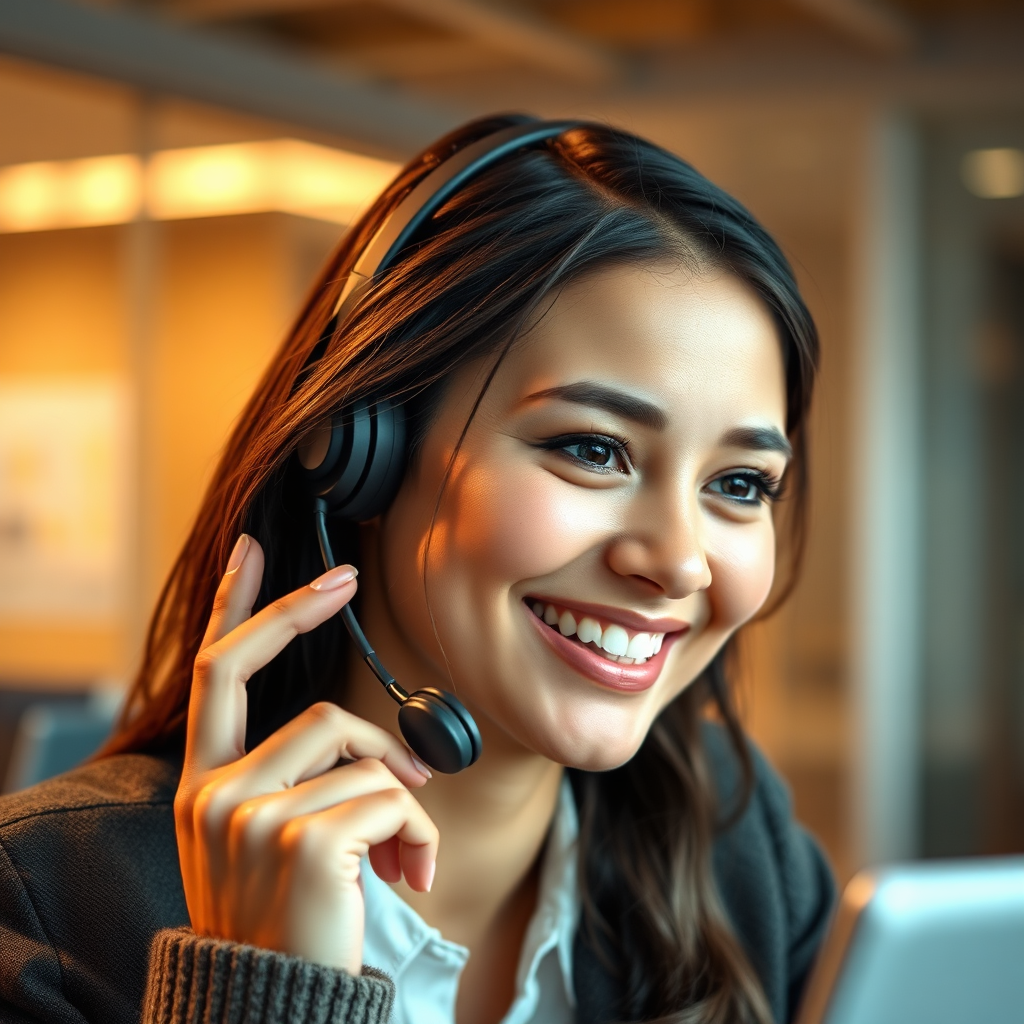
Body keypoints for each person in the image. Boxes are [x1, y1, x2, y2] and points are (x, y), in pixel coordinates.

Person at [0, 116, 833, 1024]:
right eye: (594, 449)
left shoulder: (739, 852)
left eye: (741, 483)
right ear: (362, 455)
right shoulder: (41, 906)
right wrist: (261, 997)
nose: (677, 561)